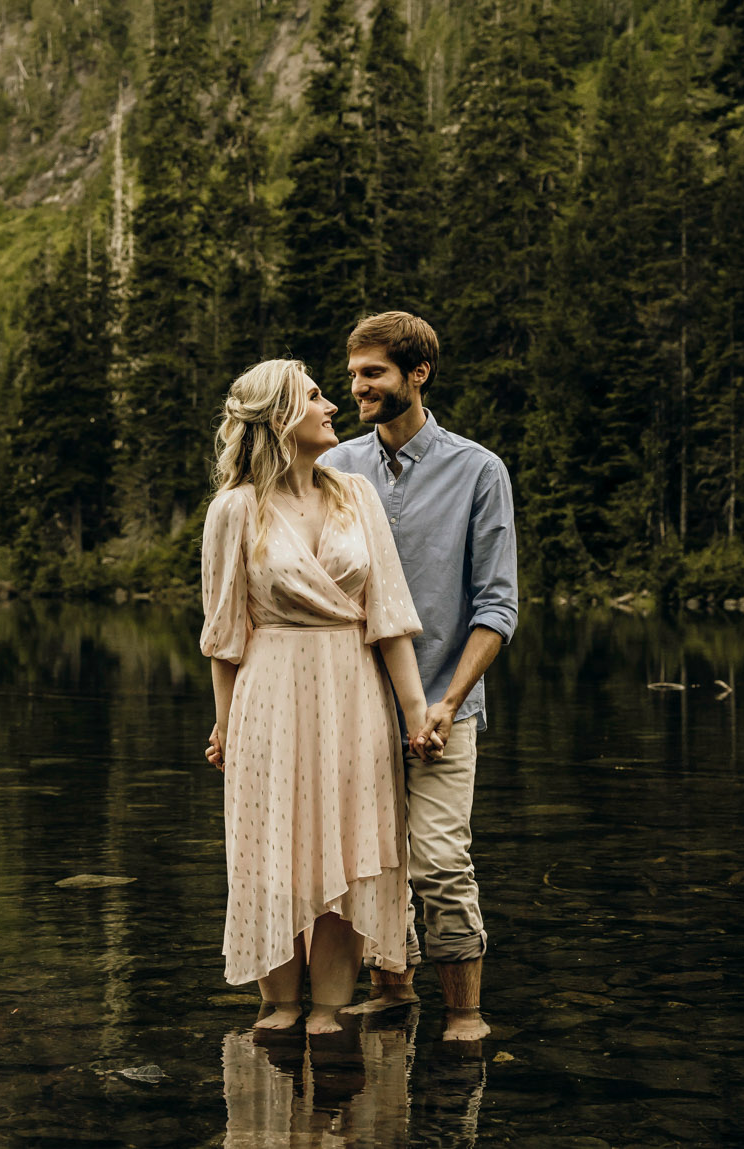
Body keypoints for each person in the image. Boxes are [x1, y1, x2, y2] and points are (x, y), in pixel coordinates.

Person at [200, 359, 434, 1035]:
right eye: (314, 397)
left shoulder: (355, 496)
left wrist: (416, 717)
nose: (333, 405)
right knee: (272, 848)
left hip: (354, 691)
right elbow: (225, 634)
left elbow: (390, 617)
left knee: (351, 843)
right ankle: (278, 1004)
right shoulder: (234, 509)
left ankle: (330, 1007)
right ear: (279, 419)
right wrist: (223, 728)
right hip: (268, 694)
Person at [323, 312, 517, 1043]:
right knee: (371, 860)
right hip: (354, 706)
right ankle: (394, 990)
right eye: (352, 375)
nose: (356, 387)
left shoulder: (478, 470)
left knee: (438, 858)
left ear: (417, 373)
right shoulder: (336, 468)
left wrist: (446, 701)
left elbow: (497, 607)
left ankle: (465, 1014)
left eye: (371, 373)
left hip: (445, 704)